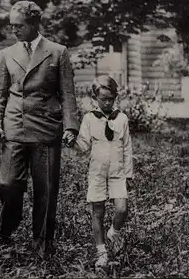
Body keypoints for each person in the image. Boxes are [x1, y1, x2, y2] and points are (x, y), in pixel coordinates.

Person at [0, 0, 80, 259]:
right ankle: (6, 229)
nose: (14, 30)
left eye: (19, 25)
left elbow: (68, 94)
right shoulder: (6, 54)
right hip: (14, 128)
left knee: (46, 191)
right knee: (7, 185)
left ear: (33, 24)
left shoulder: (57, 52)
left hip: (46, 130)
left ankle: (42, 242)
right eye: (12, 26)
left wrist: (71, 127)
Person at [72, 75, 133, 268]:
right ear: (95, 98)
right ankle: (102, 252)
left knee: (122, 209)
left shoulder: (122, 119)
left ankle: (113, 232)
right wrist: (70, 140)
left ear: (115, 97)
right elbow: (83, 145)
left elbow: (127, 147)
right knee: (97, 212)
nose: (107, 102)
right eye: (103, 99)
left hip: (117, 172)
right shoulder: (89, 119)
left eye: (111, 99)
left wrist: (129, 174)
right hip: (97, 172)